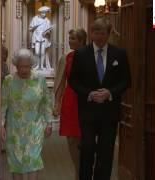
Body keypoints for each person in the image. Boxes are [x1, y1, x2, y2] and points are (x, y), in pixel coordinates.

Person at [69, 18, 131, 180]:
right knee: (87, 149)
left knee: (106, 152)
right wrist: (89, 94)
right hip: (87, 111)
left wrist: (109, 93)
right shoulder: (81, 54)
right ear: (91, 34)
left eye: (103, 33)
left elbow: (126, 81)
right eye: (96, 32)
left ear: (108, 34)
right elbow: (73, 81)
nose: (99, 36)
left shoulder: (119, 54)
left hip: (109, 112)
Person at [0, 48, 53, 180]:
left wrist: (49, 122)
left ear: (31, 65)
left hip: (35, 126)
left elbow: (46, 102)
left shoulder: (39, 80)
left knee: (33, 160)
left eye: (27, 66)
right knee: (15, 160)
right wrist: (1, 124)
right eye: (21, 66)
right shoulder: (8, 80)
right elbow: (3, 104)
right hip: (14, 127)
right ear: (16, 65)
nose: (24, 70)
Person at [53, 28, 87, 179]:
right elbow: (60, 82)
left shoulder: (90, 56)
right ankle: (78, 170)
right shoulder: (65, 57)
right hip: (70, 101)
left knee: (86, 139)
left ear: (81, 41)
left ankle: (83, 171)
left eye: (73, 38)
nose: (69, 41)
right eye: (69, 38)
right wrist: (57, 104)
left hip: (86, 101)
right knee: (72, 139)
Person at [29, 6, 53, 71]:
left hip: (43, 38)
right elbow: (30, 28)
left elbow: (50, 30)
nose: (44, 14)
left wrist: (47, 32)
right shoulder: (35, 19)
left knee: (42, 52)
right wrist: (35, 26)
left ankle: (42, 66)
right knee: (37, 52)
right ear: (40, 13)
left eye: (45, 13)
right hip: (36, 37)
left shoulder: (47, 20)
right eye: (43, 13)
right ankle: (37, 65)